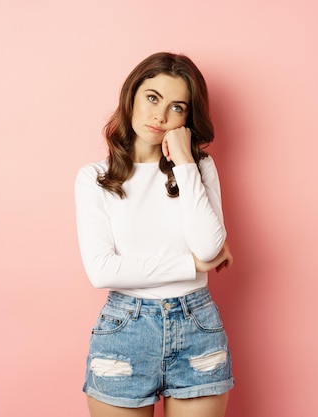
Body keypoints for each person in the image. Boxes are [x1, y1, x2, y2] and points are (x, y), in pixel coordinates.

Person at [74, 51, 234, 417]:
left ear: (187, 118)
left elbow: (210, 244)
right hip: (126, 330)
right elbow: (102, 271)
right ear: (131, 95)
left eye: (177, 107)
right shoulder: (95, 179)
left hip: (197, 326)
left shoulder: (199, 167)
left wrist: (185, 162)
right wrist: (192, 264)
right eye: (152, 98)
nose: (160, 116)